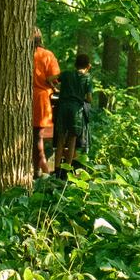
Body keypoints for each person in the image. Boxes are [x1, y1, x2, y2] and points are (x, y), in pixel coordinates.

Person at [53, 50, 93, 170]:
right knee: (72, 141)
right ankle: (67, 169)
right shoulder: (87, 78)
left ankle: (56, 169)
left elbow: (50, 79)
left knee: (60, 140)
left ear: (76, 64)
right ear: (88, 66)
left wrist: (55, 89)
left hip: (63, 108)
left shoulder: (66, 74)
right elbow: (89, 99)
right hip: (76, 111)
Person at [32, 29, 60, 178]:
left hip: (22, 97)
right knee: (38, 136)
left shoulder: (21, 53)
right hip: (41, 100)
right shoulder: (47, 55)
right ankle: (40, 171)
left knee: (32, 136)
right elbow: (54, 77)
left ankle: (40, 169)